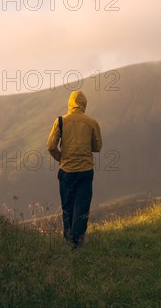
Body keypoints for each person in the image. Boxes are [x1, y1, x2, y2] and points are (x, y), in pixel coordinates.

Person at [47, 90, 102, 248]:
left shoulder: (60, 121)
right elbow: (97, 147)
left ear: (70, 103)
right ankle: (77, 243)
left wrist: (61, 158)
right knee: (82, 206)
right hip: (85, 171)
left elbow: (51, 146)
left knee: (67, 207)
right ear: (84, 103)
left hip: (67, 171)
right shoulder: (92, 122)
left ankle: (67, 240)